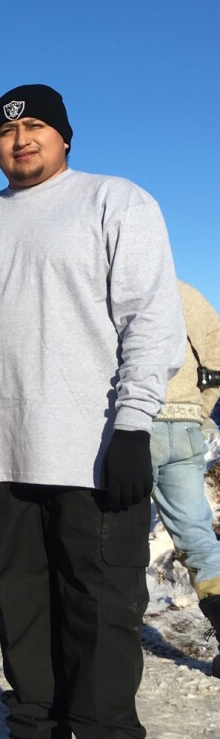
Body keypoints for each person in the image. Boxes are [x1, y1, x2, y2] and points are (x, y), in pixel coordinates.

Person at [0, 84, 186, 739]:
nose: (21, 140)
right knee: (21, 617)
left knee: (100, 621)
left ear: (66, 136)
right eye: (7, 132)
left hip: (92, 454)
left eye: (37, 126)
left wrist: (133, 426)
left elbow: (152, 323)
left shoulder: (116, 202)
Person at [151, 280, 220, 676]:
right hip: (187, 427)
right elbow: (216, 362)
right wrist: (198, 410)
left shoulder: (117, 286)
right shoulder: (191, 295)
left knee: (116, 535)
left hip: (133, 426)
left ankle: (112, 642)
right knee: (199, 539)